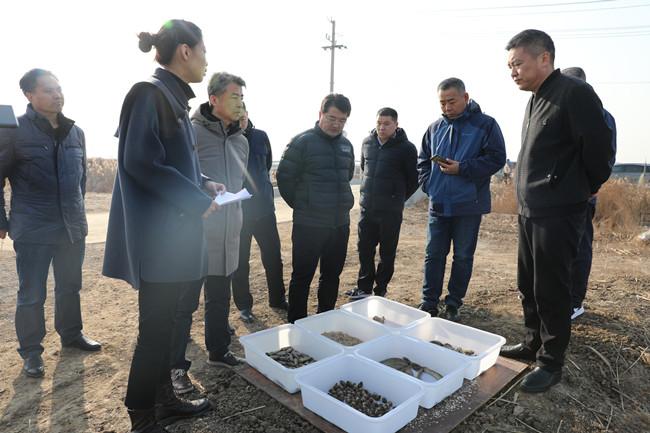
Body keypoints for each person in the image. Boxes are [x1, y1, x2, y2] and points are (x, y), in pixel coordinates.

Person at [102, 20, 223, 431]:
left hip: (173, 237)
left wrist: (203, 183)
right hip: (160, 240)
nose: (206, 60)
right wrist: (195, 200)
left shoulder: (172, 98)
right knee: (154, 332)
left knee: (165, 326)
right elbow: (140, 162)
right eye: (204, 51)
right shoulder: (148, 93)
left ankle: (164, 401)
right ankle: (142, 418)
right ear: (185, 51)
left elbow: (172, 162)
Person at [501, 30, 614, 393]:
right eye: (510, 66)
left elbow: (599, 151)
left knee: (552, 288)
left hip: (559, 210)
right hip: (530, 210)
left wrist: (583, 187)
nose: (513, 72)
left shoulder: (574, 93)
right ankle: (532, 342)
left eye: (518, 63)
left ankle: (551, 363)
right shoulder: (536, 98)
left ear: (544, 58)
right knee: (529, 284)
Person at [0, 69, 101, 379]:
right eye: (48, 90)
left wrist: (77, 213)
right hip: (32, 230)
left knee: (70, 287)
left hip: (72, 228)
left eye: (59, 89)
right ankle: (31, 351)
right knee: (32, 294)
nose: (57, 95)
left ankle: (71, 334)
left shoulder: (76, 132)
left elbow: (81, 180)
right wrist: (1, 220)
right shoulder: (12, 131)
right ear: (30, 96)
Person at [169, 72, 248, 395]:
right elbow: (177, 179)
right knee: (184, 305)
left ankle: (218, 350)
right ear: (214, 99)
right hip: (195, 231)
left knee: (219, 296)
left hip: (229, 231)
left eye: (242, 96)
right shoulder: (190, 132)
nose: (240, 102)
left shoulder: (242, 139)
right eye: (233, 96)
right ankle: (175, 367)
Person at [416, 78, 506, 323]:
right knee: (433, 255)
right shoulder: (434, 128)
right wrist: (429, 185)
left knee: (463, 257)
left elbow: (497, 158)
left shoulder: (485, 125)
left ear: (465, 97)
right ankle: (429, 302)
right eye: (442, 103)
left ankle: (453, 303)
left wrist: (463, 168)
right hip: (438, 205)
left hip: (468, 205)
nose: (447, 107)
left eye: (452, 101)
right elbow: (422, 160)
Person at [276, 94, 355, 323]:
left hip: (340, 224)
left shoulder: (346, 145)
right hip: (309, 224)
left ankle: (324, 320)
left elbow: (348, 175)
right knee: (302, 277)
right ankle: (297, 324)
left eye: (342, 120)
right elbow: (284, 179)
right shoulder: (302, 142)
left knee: (332, 276)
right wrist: (305, 205)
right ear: (320, 114)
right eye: (332, 118)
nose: (336, 124)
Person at [344, 107, 418, 299]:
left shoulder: (407, 148)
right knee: (364, 249)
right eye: (379, 123)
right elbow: (364, 169)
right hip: (367, 208)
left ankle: (380, 290)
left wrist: (396, 198)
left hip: (390, 211)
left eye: (386, 124)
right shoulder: (367, 142)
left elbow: (413, 180)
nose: (382, 127)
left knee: (387, 252)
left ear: (396, 125)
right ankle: (364, 288)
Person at [561, 66, 617, 320]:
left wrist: (591, 188)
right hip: (555, 196)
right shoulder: (558, 111)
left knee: (579, 247)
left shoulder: (600, 115)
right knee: (556, 248)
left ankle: (574, 302)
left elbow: (605, 157)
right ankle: (556, 296)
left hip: (583, 196)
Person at [231, 106, 288, 323]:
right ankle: (244, 306)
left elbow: (267, 164)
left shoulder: (261, 136)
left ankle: (277, 298)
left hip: (265, 211)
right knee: (240, 263)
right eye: (235, 119)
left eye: (242, 118)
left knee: (273, 258)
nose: (239, 123)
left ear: (248, 116)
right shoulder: (229, 140)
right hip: (239, 213)